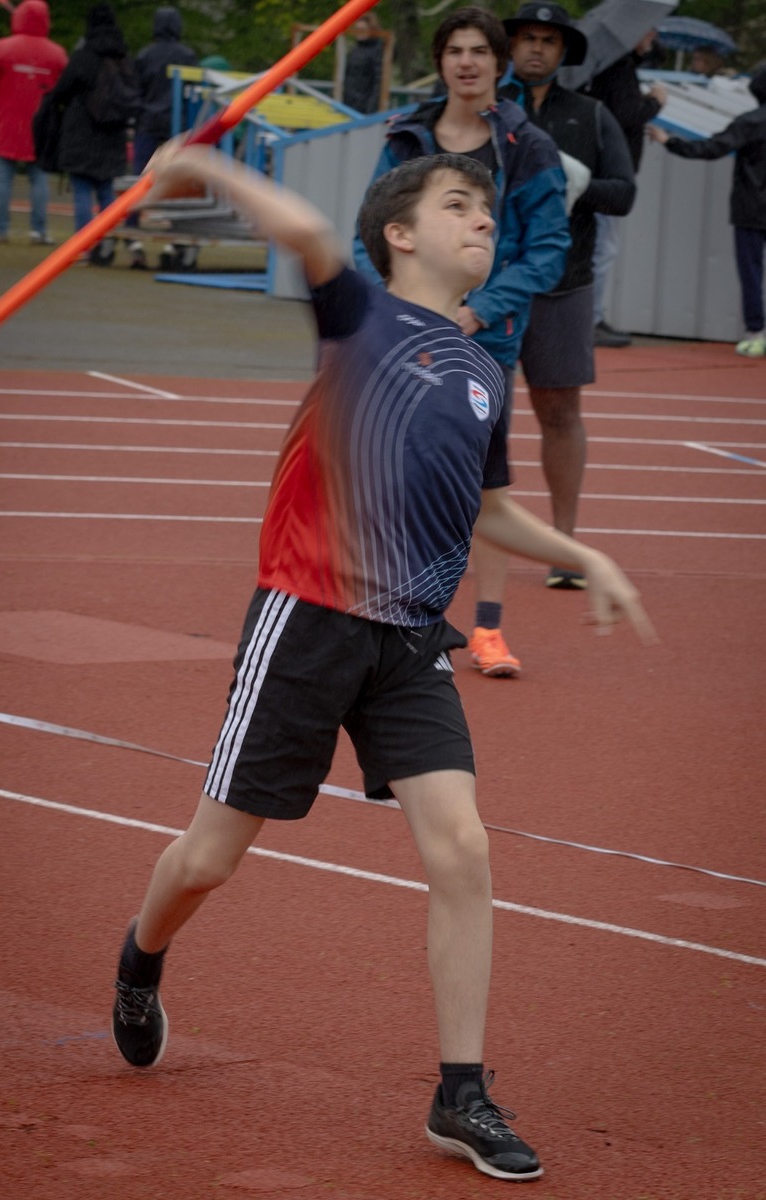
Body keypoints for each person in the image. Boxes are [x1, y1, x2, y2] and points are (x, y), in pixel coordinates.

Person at [109, 139, 654, 1185]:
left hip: (410, 641)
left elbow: (492, 510)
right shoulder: (358, 314)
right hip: (307, 623)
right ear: (399, 234)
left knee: (463, 849)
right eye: (458, 205)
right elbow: (305, 230)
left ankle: (461, 1094)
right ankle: (142, 954)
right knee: (211, 858)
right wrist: (201, 166)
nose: (482, 220)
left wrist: (584, 552)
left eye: (487, 211)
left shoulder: (483, 370)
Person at [353, 7, 571, 677]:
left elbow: (548, 249)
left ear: (500, 63)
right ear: (441, 61)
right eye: (455, 50)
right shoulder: (408, 135)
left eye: (480, 50)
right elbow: (371, 228)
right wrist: (388, 306)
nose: (468, 62)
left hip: (485, 339)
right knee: (390, 466)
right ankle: (389, 607)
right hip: (403, 334)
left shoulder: (527, 145)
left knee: (482, 485)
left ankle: (488, 627)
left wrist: (478, 310)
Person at [499, 2, 636, 589]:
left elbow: (624, 193)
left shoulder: (591, 114)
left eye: (548, 41)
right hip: (489, 287)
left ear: (563, 52)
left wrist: (579, 183)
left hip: (564, 284)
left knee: (559, 414)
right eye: (527, 38)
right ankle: (456, 541)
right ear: (510, 46)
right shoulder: (483, 107)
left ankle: (564, 543)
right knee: (474, 418)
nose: (536, 48)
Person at [647, 63, 766, 359]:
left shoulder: (749, 122)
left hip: (750, 209)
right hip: (750, 209)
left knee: (751, 272)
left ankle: (756, 333)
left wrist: (669, 141)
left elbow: (712, 148)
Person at [584, 30, 668, 348]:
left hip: (603, 171)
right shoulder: (617, 67)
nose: (653, 36)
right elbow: (626, 113)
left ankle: (589, 317)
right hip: (607, 173)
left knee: (599, 247)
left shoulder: (616, 64)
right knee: (602, 249)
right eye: (649, 30)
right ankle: (589, 320)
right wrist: (655, 102)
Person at [47, 3, 138, 257]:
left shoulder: (83, 57)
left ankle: (83, 247)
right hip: (113, 135)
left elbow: (61, 91)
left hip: (81, 132)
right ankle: (107, 242)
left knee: (82, 190)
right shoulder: (124, 58)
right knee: (106, 191)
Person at [0, 0, 67, 245]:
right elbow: (63, 89)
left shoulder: (2, 47)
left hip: (6, 122)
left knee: (3, 178)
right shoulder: (56, 53)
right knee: (39, 179)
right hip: (41, 127)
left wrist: (1, 99)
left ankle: (0, 230)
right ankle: (39, 231)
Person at [126, 6, 198, 268]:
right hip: (177, 124)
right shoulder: (187, 56)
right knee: (178, 179)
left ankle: (132, 232)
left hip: (148, 121)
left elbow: (136, 90)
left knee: (139, 178)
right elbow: (193, 91)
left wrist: (134, 119)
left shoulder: (145, 55)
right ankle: (176, 235)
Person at [343, 10, 385, 114]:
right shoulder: (355, 50)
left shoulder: (377, 50)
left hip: (365, 107)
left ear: (371, 30)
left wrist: (371, 109)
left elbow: (379, 82)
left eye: (362, 29)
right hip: (348, 103)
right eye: (357, 29)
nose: (359, 32)